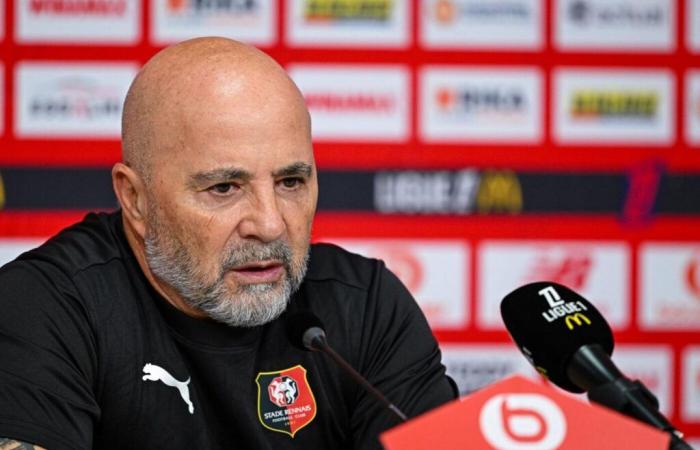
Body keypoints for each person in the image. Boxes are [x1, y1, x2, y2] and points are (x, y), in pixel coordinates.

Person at [0, 37, 457, 450]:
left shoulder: (366, 306)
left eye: (291, 181)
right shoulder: (44, 306)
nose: (271, 224)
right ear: (135, 200)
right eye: (224, 188)